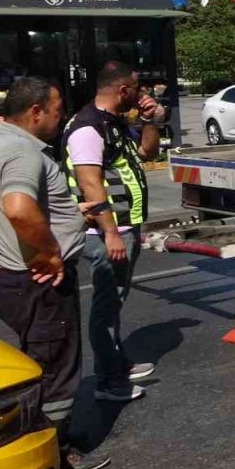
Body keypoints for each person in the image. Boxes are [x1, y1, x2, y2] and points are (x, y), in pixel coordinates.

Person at [0, 77, 109, 469]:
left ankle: (50, 441)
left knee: (40, 363)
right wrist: (51, 252)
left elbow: (21, 206)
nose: (60, 117)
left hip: (15, 281)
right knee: (54, 372)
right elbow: (18, 208)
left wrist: (68, 214)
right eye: (55, 110)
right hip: (41, 284)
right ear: (35, 112)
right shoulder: (23, 152)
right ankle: (53, 454)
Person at [62, 62, 164, 402]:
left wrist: (149, 120)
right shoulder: (88, 128)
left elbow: (147, 153)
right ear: (123, 90)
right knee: (106, 305)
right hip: (106, 231)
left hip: (124, 224)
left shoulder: (113, 124)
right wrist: (110, 233)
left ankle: (116, 362)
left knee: (115, 300)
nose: (142, 94)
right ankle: (108, 380)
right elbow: (89, 182)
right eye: (137, 88)